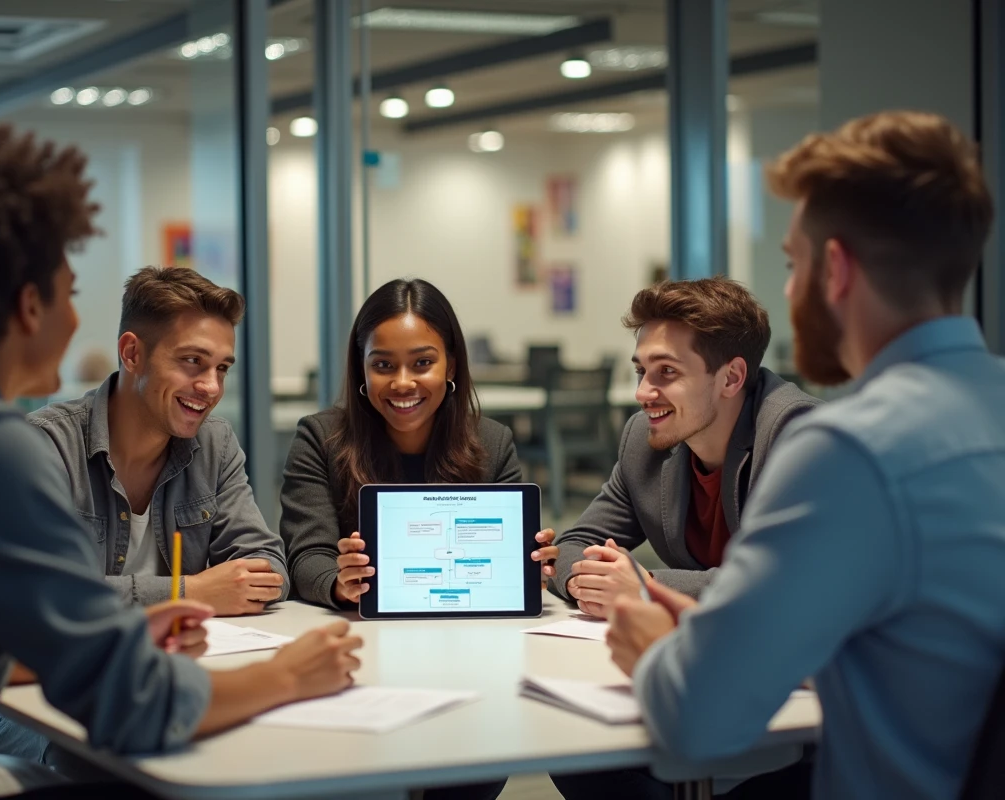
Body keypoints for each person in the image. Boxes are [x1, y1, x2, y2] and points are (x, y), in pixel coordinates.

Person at [0, 120, 361, 800]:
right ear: (28, 306)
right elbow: (132, 706)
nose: (75, 320)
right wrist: (290, 676)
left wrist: (110, 628)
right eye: (69, 293)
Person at [607, 110, 1005, 799]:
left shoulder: (849, 452)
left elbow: (696, 721)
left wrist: (655, 647)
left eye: (793, 265)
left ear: (837, 269)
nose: (788, 292)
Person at [280, 278, 557, 800]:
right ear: (361, 368)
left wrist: (527, 562)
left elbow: (512, 560)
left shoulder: (491, 443)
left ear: (451, 364)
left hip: (468, 656)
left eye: (422, 362)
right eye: (383, 364)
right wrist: (339, 584)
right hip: (362, 652)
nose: (402, 382)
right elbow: (306, 555)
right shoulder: (321, 439)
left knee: (470, 771)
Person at [550, 278, 819, 618]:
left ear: (731, 378)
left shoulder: (798, 435)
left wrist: (648, 587)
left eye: (667, 371)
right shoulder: (643, 439)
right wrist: (584, 582)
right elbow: (573, 544)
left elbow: (788, 580)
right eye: (640, 370)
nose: (642, 393)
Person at [29, 266, 289, 616]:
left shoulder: (216, 443)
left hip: (192, 655)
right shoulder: (48, 446)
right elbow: (41, 591)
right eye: (192, 361)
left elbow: (267, 564)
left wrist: (243, 582)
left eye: (222, 368)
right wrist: (189, 592)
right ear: (132, 354)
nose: (212, 387)